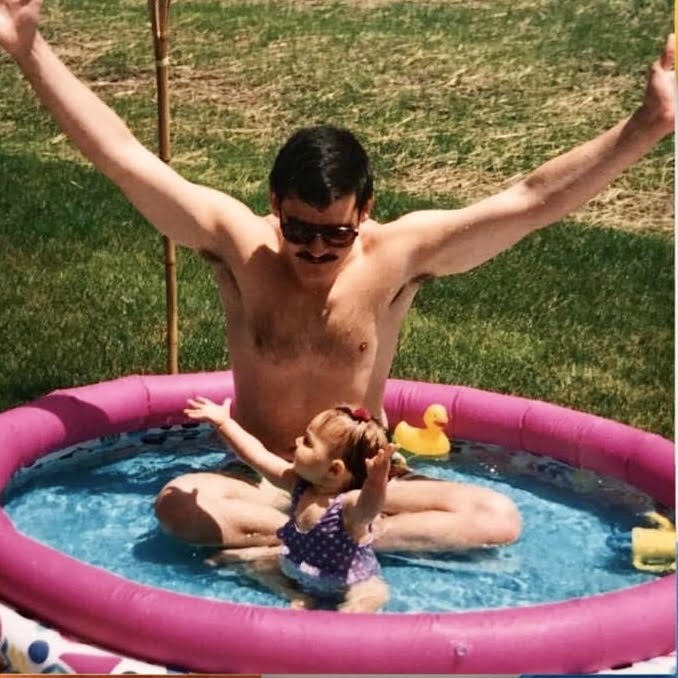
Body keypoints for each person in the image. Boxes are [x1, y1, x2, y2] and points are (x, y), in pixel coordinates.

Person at [1, 0, 674, 552]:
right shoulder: (241, 246)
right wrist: (31, 49)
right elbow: (125, 158)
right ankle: (321, 540)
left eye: (336, 233)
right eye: (298, 229)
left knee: (496, 518)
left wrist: (649, 124)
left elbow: (531, 200)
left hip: (365, 486)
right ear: (273, 205)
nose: (316, 250)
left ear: (366, 211)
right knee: (178, 504)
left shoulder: (397, 255)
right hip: (262, 478)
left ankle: (320, 540)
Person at [184, 396, 393, 613]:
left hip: (349, 583)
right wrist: (224, 423)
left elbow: (369, 509)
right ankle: (297, 596)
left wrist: (376, 481)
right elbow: (257, 455)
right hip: (298, 566)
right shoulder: (297, 483)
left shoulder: (348, 505)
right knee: (254, 567)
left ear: (334, 470)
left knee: (369, 598)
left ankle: (337, 630)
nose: (297, 440)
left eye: (308, 442)